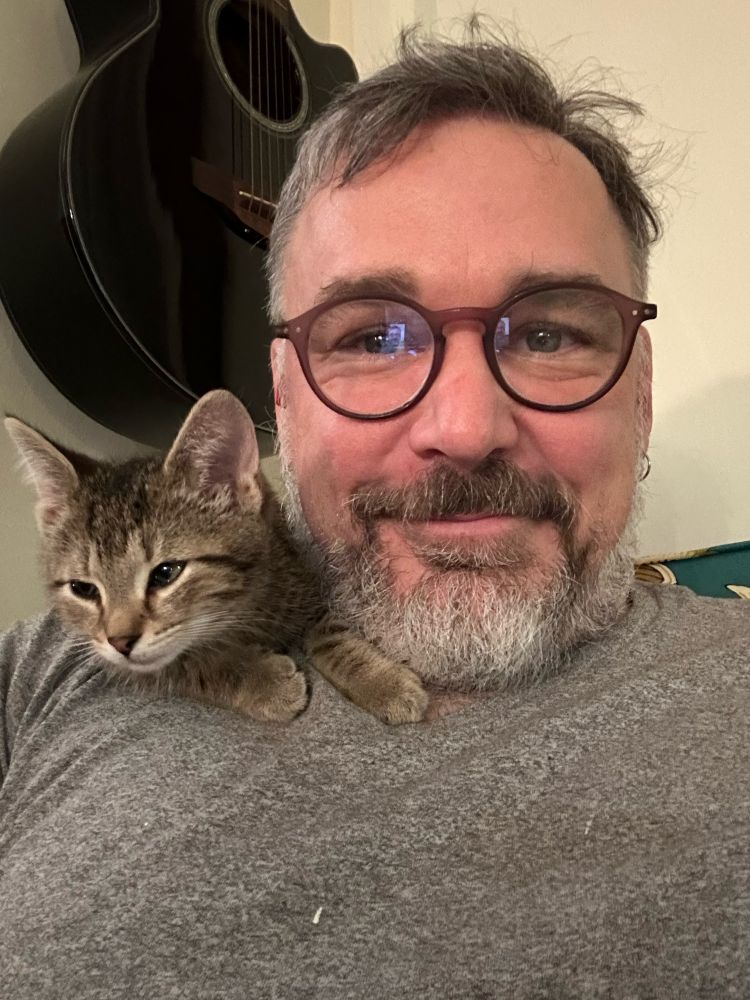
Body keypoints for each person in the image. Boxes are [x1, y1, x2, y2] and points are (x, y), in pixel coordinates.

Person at [2, 21, 749, 999]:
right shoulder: (42, 672)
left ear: (638, 390)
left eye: (552, 331)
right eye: (374, 337)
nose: (466, 425)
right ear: (281, 397)